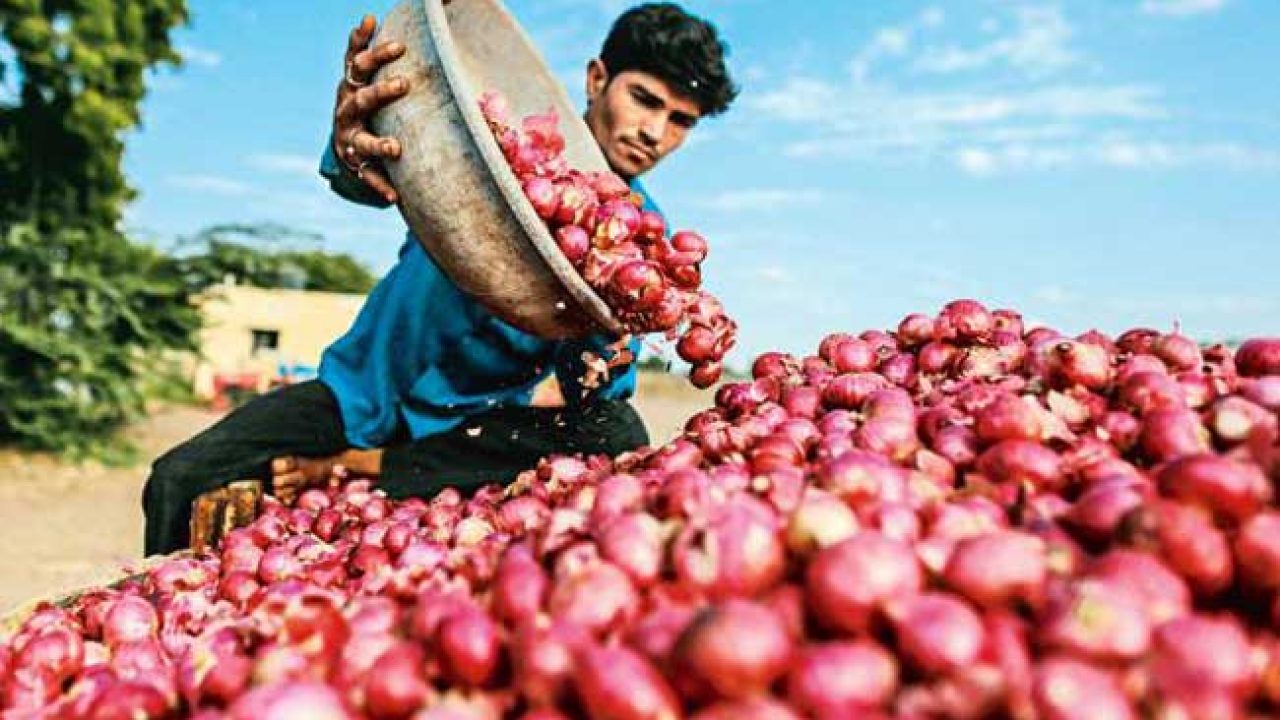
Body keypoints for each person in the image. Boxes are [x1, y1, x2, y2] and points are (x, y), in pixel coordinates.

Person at [141, 2, 738, 556]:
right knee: (180, 477)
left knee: (617, 434)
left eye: (680, 120)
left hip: (470, 423)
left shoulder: (644, 239)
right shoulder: (499, 148)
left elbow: (595, 392)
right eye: (644, 99)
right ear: (596, 78)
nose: (654, 133)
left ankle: (367, 466)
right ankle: (173, 602)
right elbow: (380, 170)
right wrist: (353, 147)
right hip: (361, 393)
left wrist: (608, 336)